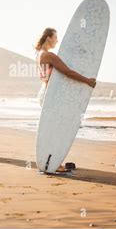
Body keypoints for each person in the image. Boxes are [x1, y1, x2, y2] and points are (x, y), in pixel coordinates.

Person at [35, 28, 96, 171]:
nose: (57, 40)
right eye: (55, 37)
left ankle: (51, 160)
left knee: (53, 128)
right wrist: (87, 80)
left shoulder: (39, 54)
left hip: (44, 92)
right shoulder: (49, 55)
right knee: (55, 129)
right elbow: (67, 72)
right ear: (48, 38)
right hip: (49, 95)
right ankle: (53, 162)